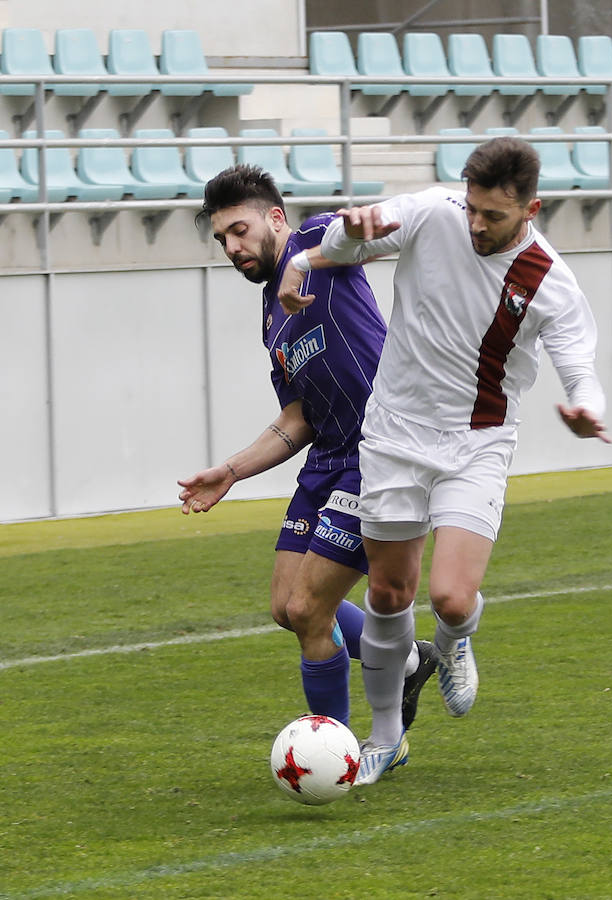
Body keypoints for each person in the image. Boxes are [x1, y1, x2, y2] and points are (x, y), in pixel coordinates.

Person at [278, 136, 612, 785]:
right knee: (387, 592)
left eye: (494, 216)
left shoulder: (549, 282)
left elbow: (579, 366)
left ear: (530, 209)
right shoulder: (435, 212)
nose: (477, 225)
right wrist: (350, 232)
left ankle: (455, 639)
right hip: (395, 437)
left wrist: (585, 408)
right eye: (473, 209)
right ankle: (384, 737)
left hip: (476, 445)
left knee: (450, 597)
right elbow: (350, 247)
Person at [177, 164, 438, 733]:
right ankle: (411, 659)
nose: (231, 246)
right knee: (284, 609)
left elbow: (386, 235)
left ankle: (334, 748)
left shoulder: (320, 240)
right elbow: (298, 418)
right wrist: (231, 471)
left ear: (275, 217)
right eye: (222, 238)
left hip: (378, 451)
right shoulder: (273, 317)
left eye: (240, 230)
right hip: (328, 458)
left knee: (307, 609)